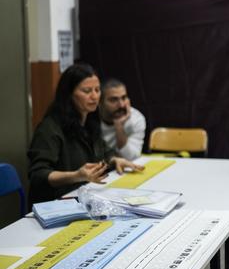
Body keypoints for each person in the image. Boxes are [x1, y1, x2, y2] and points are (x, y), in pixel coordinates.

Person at [28, 63, 143, 204]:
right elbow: (38, 175)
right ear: (69, 94)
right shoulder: (50, 128)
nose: (94, 96)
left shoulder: (89, 120)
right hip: (54, 203)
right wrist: (76, 175)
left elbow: (104, 151)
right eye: (87, 91)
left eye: (97, 90)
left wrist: (115, 160)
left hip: (83, 197)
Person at [99, 78, 146, 161]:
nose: (121, 105)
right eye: (114, 100)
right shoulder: (89, 119)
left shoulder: (136, 119)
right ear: (100, 103)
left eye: (124, 98)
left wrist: (119, 127)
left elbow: (131, 158)